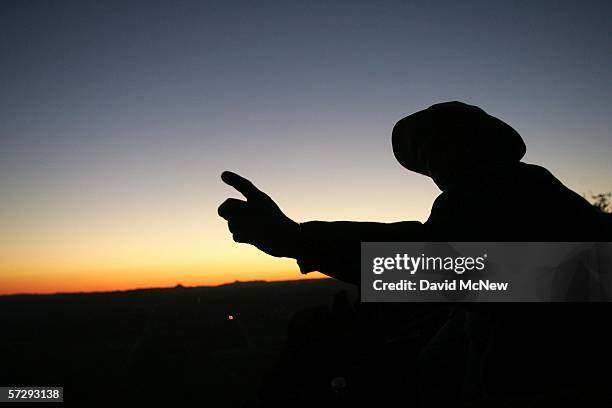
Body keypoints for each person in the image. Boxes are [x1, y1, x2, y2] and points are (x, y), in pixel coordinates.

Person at [218, 101, 611, 406]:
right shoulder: (521, 191)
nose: (435, 166)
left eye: (439, 147)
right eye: (425, 158)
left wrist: (295, 239)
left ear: (478, 143)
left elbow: (448, 268)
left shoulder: (509, 187)